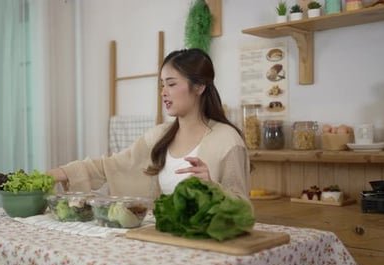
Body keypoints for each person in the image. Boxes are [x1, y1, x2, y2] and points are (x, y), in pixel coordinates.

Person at [48, 48, 250, 200]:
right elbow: (110, 166)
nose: (163, 92)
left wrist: (212, 187)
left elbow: (242, 207)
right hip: (161, 240)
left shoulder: (227, 140)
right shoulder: (159, 136)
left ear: (199, 87)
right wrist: (50, 176)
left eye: (171, 84)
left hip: (207, 246)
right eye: (162, 85)